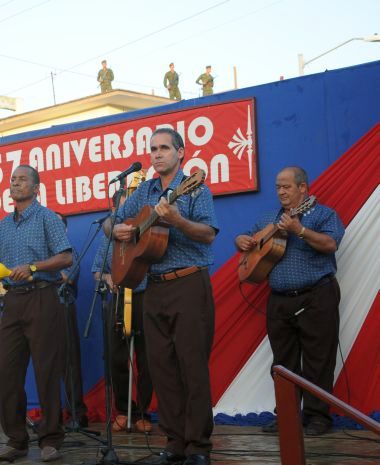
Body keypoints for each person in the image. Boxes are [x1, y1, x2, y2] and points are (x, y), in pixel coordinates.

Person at [107, 127, 218, 465]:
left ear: (181, 153)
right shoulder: (145, 190)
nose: (157, 154)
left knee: (192, 367)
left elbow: (208, 234)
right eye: (153, 148)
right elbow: (112, 222)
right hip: (153, 286)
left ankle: (198, 446)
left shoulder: (195, 188)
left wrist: (178, 221)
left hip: (188, 284)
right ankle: (174, 442)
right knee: (161, 368)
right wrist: (117, 229)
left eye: (164, 148)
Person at [0, 165, 72, 462]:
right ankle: (16, 440)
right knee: (8, 372)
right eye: (12, 179)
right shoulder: (4, 224)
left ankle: (50, 439)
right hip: (12, 302)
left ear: (36, 187)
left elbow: (66, 256)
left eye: (22, 179)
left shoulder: (47, 218)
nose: (15, 183)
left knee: (46, 371)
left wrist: (33, 268)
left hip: (42, 298)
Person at [235, 167, 344, 436]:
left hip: (317, 295)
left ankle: (318, 417)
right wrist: (243, 242)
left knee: (318, 360)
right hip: (280, 301)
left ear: (303, 189)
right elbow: (245, 239)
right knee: (283, 364)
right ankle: (288, 415)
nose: (281, 191)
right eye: (278, 187)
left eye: (287, 187)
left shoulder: (322, 214)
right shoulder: (267, 219)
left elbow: (331, 244)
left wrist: (300, 230)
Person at [91, 230, 153, 434]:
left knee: (147, 358)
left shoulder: (148, 232)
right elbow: (97, 270)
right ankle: (123, 410)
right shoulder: (108, 238)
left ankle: (142, 413)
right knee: (115, 356)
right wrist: (108, 278)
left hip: (146, 296)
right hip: (118, 298)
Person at [56, 213, 88, 428]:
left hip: (63, 307)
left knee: (70, 363)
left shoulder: (68, 251)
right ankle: (53, 416)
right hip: (41, 309)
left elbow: (68, 277)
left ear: (65, 229)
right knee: (47, 364)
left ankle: (77, 414)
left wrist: (46, 264)